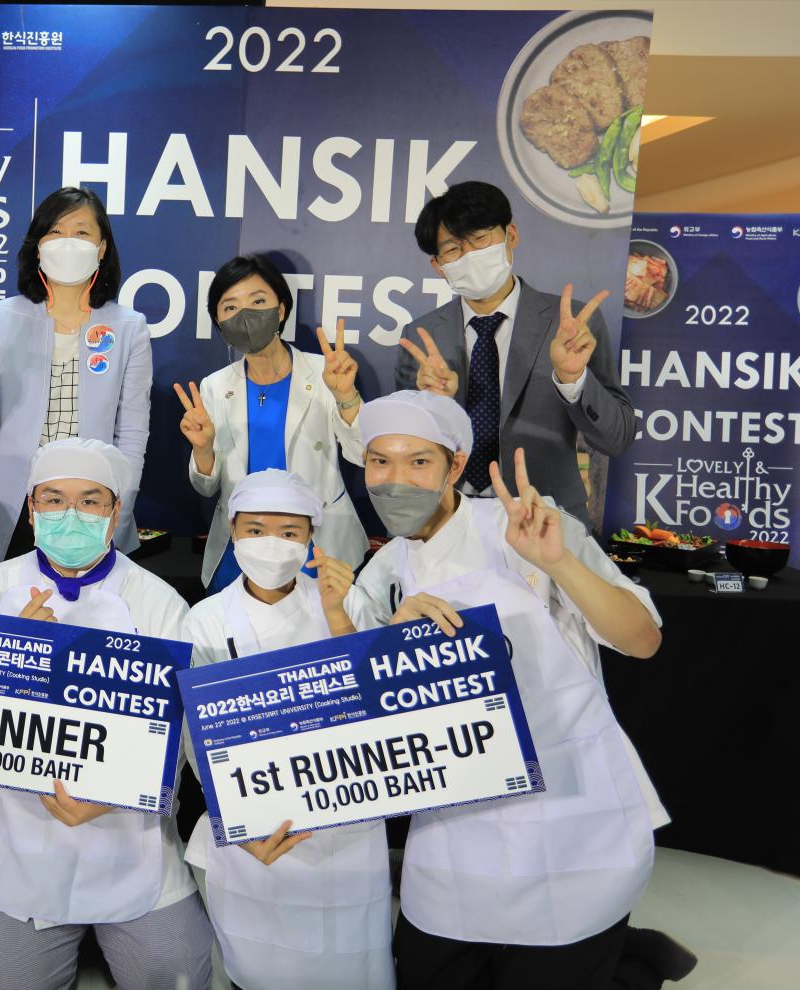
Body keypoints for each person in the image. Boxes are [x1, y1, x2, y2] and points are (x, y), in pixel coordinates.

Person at [346, 390, 694, 990]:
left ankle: (632, 966)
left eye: (418, 461)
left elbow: (643, 640)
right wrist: (388, 645)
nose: (396, 479)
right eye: (380, 461)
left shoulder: (526, 526)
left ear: (455, 465)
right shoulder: (385, 569)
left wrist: (559, 563)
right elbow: (360, 692)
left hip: (566, 819)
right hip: (454, 836)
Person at [0, 438, 212, 990]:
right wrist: (8, 657)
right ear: (31, 509)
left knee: (175, 971)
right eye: (53, 499)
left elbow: (183, 727)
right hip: (16, 832)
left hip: (128, 832)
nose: (71, 514)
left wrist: (114, 793)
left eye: (90, 501)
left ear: (115, 514)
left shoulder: (159, 602)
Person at [183, 469, 394, 990]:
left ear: (310, 539)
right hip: (252, 828)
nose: (271, 543)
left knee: (350, 967)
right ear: (233, 532)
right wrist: (241, 821)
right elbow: (196, 735)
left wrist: (338, 617)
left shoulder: (350, 602)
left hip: (344, 828)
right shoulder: (205, 619)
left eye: (289, 531)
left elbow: (382, 709)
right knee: (256, 968)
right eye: (255, 530)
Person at [393, 180, 632, 527]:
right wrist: (434, 406)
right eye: (454, 249)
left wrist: (574, 379)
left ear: (511, 235)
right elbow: (403, 449)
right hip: (447, 519)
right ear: (438, 266)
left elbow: (616, 438)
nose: (470, 256)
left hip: (547, 520)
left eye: (480, 239)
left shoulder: (571, 325)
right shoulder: (421, 336)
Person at [0, 186, 152, 564]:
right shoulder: (0, 319)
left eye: (81, 232)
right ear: (38, 246)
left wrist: (119, 511)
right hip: (12, 508)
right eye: (55, 231)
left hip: (91, 507)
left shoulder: (129, 327)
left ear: (102, 248)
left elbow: (132, 436)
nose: (68, 242)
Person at [176, 253, 368, 590]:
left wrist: (346, 397)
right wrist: (203, 449)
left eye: (258, 301)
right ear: (219, 322)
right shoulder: (214, 386)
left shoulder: (325, 371)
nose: (245, 314)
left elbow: (362, 454)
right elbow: (206, 487)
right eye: (230, 307)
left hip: (318, 544)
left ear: (280, 309)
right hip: (242, 545)